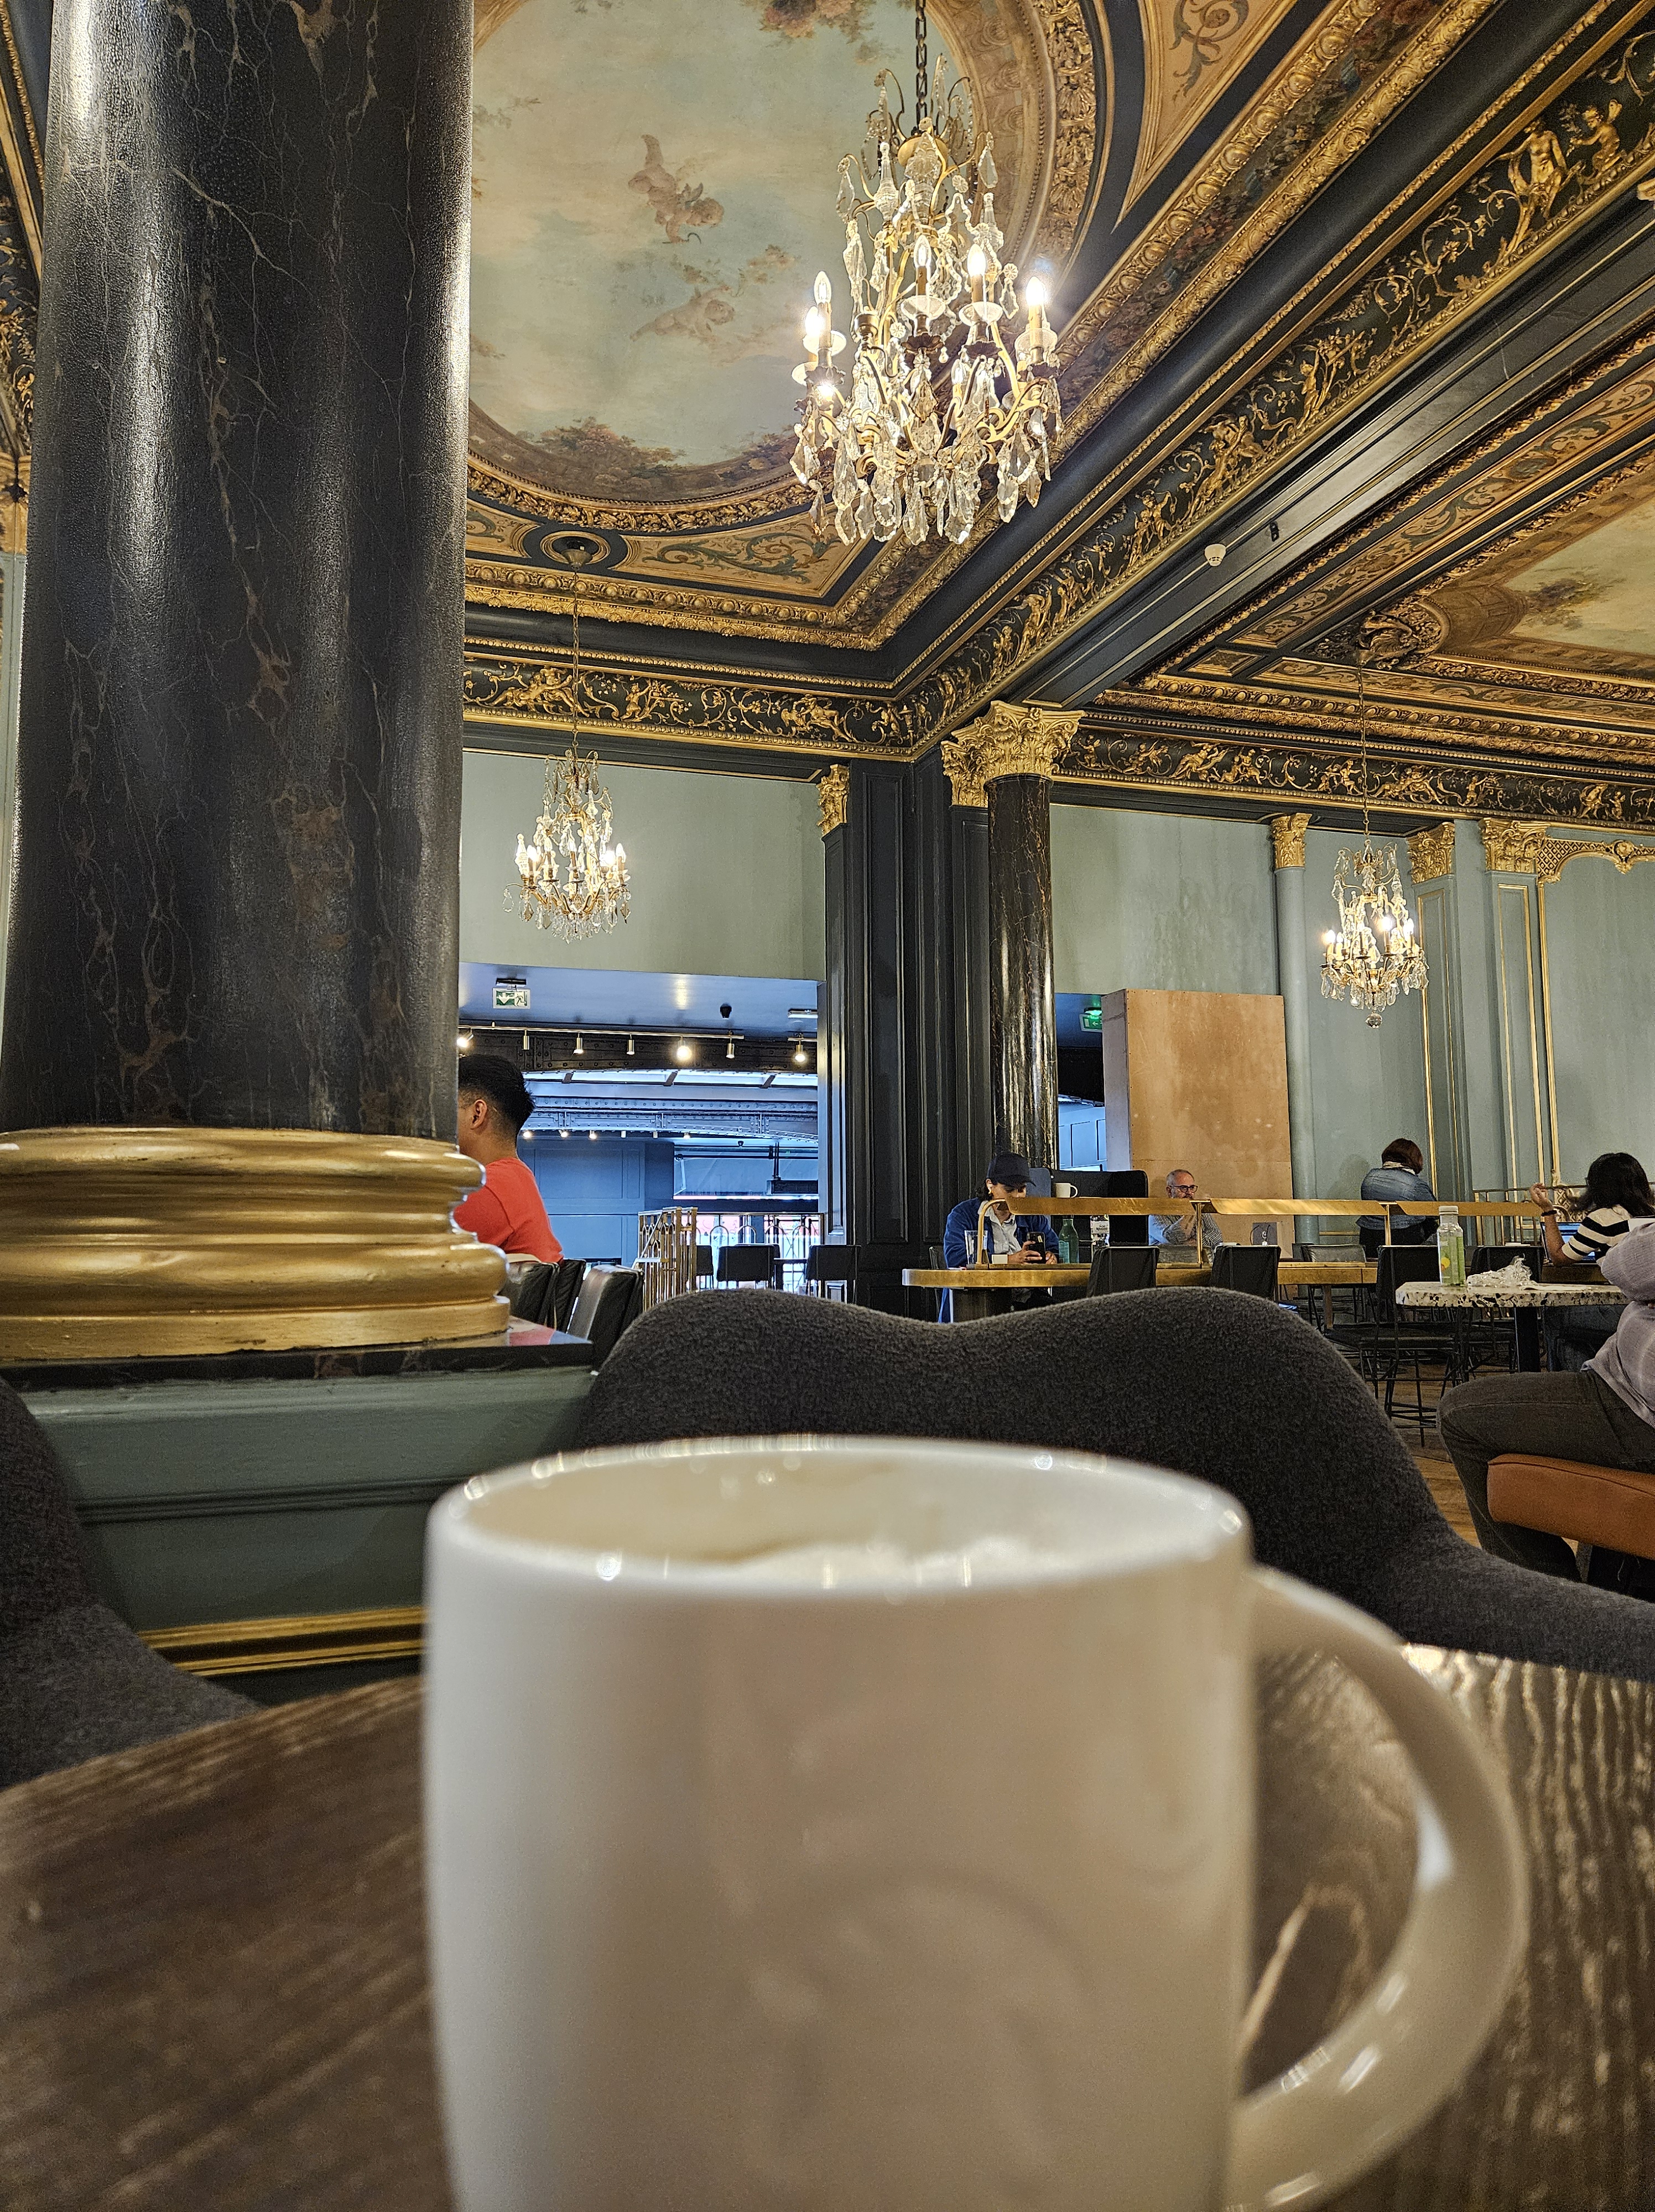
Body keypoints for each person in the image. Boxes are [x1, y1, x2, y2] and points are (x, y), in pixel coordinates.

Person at [1439, 1218, 1655, 1579]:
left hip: (1632, 1403)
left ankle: (1547, 1596)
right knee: (1564, 1329)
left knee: (1554, 1323)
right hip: (1624, 1377)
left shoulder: (1602, 1219)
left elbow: (1580, 1259)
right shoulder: (1628, 1212)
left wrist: (1547, 1215)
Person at [1532, 1152, 1655, 1369]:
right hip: (1649, 1308)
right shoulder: (1652, 1216)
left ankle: (1559, 1384)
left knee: (1554, 1314)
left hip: (1625, 1308)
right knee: (1570, 1341)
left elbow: (1559, 1257)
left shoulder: (1603, 1219)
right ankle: (1597, 1376)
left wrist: (1547, 1210)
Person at [454, 1053, 561, 1262]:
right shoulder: (515, 1179)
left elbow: (408, 1260)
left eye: (446, 1109)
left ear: (477, 1114)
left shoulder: (487, 1188)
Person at [943, 1154, 1059, 1270]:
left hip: (1025, 1285)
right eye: (1009, 1190)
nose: (1017, 1196)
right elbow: (955, 1259)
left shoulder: (1031, 1216)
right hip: (980, 1286)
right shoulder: (963, 1215)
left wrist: (1052, 1256)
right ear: (990, 1185)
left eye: (1021, 1190)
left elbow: (1056, 1247)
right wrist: (1010, 1260)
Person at [1357, 1139, 1437, 1252]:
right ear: (1414, 1159)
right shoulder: (1415, 1183)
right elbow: (1434, 1212)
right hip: (1404, 1239)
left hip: (1370, 1237)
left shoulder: (1370, 1177)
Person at [1150, 1168, 1221, 1256]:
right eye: (1183, 1188)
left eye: (1192, 1188)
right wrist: (1192, 1213)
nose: (1189, 1193)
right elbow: (1172, 1238)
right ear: (1170, 1191)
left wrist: (1193, 1244)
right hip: (1169, 1267)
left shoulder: (1200, 1209)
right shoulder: (1157, 1214)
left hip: (1203, 1265)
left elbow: (1216, 1236)